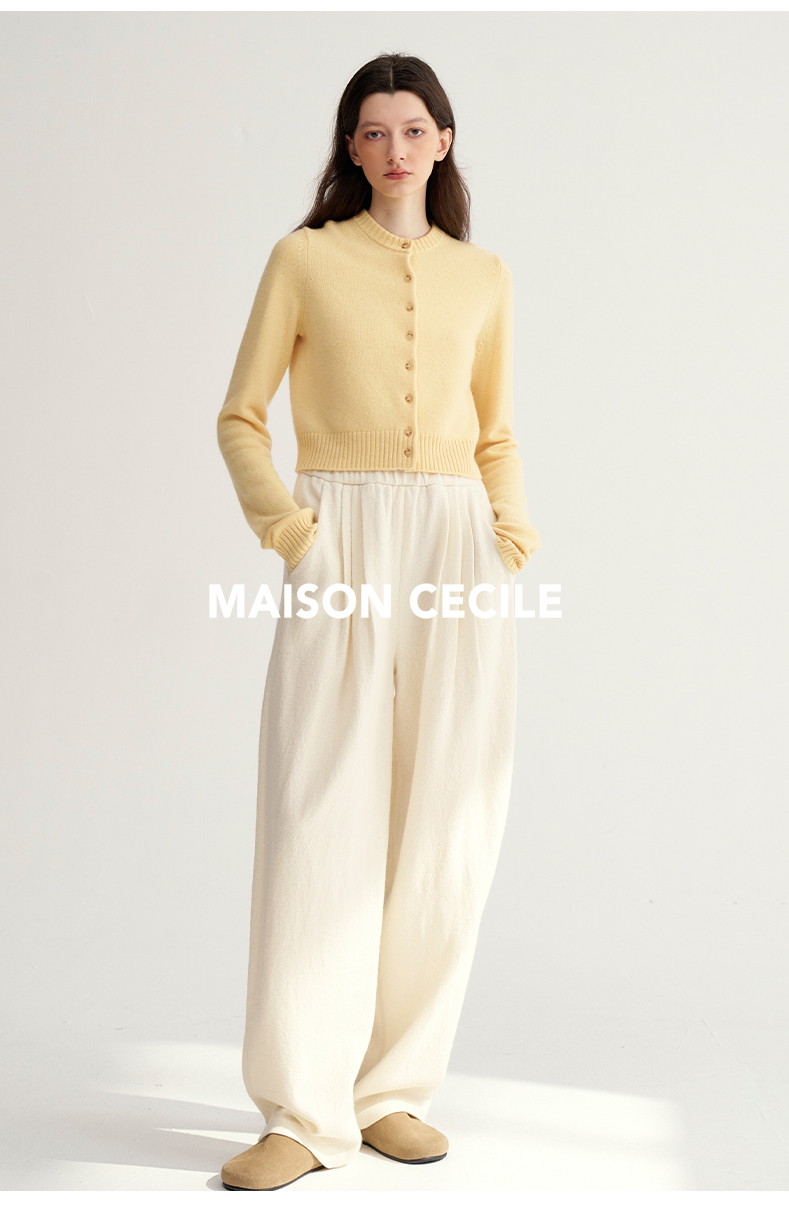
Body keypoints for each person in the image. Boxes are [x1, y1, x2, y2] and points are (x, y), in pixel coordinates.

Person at [215, 51, 540, 1192]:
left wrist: (509, 532)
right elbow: (241, 416)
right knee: (319, 814)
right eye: (372, 131)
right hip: (339, 533)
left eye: (413, 129)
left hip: (457, 545)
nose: (394, 149)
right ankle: (301, 1114)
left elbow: (495, 430)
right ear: (349, 149)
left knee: (449, 819)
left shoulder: (484, 276)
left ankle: (393, 1091)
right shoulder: (303, 259)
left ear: (442, 142)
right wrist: (292, 531)